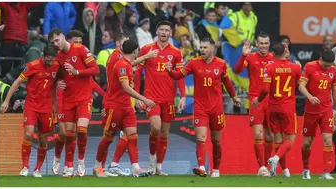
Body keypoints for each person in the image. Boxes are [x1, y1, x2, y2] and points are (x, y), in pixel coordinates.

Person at [164, 38, 241, 177]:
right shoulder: (194, 63)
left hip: (216, 108)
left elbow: (227, 82)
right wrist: (170, 71)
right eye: (201, 47)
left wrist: (234, 96)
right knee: (201, 138)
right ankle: (201, 167)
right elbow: (178, 75)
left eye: (205, 47)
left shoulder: (221, 64)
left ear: (213, 49)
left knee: (216, 141)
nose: (202, 50)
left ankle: (216, 169)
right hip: (200, 107)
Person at [93, 39, 156, 177]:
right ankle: (97, 166)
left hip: (126, 106)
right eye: (137, 50)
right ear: (134, 51)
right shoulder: (121, 65)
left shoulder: (126, 63)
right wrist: (144, 99)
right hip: (114, 106)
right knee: (108, 137)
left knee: (132, 136)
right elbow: (126, 87)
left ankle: (136, 168)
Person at [134, 20, 186, 176]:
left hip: (169, 98)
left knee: (164, 133)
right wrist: (138, 96)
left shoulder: (176, 52)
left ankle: (159, 167)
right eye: (161, 30)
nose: (164, 33)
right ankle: (151, 160)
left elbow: (181, 76)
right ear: (157, 32)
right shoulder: (147, 49)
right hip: (151, 98)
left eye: (167, 30)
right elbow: (137, 73)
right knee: (155, 128)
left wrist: (183, 96)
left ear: (171, 33)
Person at [52, 29, 105, 177]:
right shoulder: (58, 57)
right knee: (68, 134)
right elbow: (55, 76)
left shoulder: (80, 49)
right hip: (68, 98)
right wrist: (58, 83)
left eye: (57, 40)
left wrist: (77, 72)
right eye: (53, 42)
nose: (55, 44)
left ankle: (80, 161)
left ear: (63, 38)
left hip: (84, 97)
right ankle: (69, 167)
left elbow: (95, 70)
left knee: (81, 130)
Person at [0, 45, 59, 177]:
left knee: (43, 140)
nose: (50, 63)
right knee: (28, 133)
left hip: (46, 108)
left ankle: (37, 169)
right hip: (31, 105)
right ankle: (25, 167)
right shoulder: (32, 66)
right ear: (43, 56)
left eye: (52, 60)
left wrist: (56, 106)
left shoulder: (56, 66)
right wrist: (6, 101)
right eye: (48, 60)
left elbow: (56, 86)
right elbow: (16, 82)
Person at [252, 43, 301, 177]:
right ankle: (276, 159)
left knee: (278, 140)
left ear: (273, 54)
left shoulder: (270, 67)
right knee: (290, 139)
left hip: (273, 108)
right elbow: (297, 85)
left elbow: (265, 89)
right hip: (288, 108)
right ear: (286, 52)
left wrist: (258, 99)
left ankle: (284, 170)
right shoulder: (295, 67)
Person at [233, 34, 275, 177]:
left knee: (269, 136)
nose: (263, 46)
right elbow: (237, 70)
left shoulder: (273, 58)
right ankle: (262, 167)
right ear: (256, 43)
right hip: (256, 100)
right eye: (261, 43)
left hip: (271, 101)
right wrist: (243, 55)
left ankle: (268, 166)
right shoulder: (250, 57)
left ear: (269, 44)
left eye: (266, 43)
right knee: (258, 133)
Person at [299, 49, 336, 180]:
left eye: (330, 65)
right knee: (306, 143)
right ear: (321, 59)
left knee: (328, 139)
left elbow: (335, 91)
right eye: (326, 65)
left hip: (327, 110)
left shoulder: (333, 70)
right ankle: (305, 169)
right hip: (311, 111)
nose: (328, 67)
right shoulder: (310, 67)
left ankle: (326, 172)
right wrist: (309, 97)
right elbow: (301, 86)